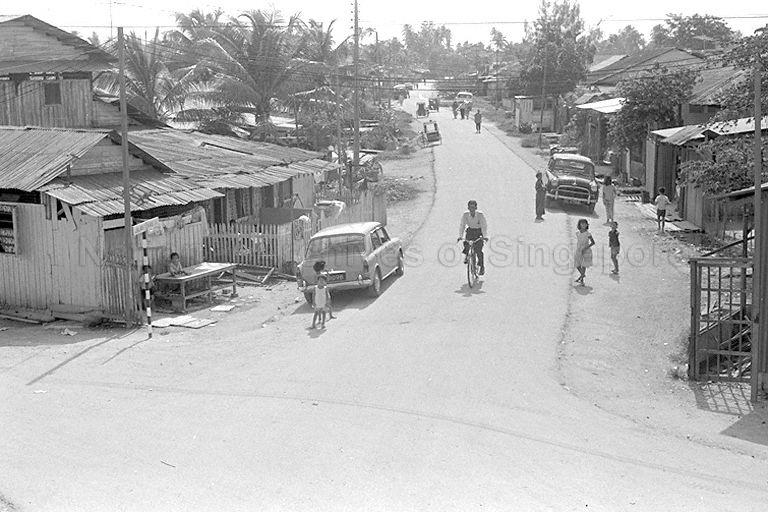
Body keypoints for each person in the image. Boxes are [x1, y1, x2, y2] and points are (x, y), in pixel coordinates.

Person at [457, 200, 489, 276]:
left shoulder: (480, 215)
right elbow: (462, 225)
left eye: (473, 207)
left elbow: (484, 226)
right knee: (466, 243)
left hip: (478, 233)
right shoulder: (465, 215)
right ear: (468, 208)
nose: (472, 209)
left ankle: (481, 266)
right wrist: (460, 236)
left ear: (476, 207)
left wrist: (484, 236)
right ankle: (467, 256)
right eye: (470, 207)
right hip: (470, 231)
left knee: (478, 250)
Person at [574, 218, 595, 286]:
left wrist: (586, 248)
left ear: (587, 225)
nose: (583, 225)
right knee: (577, 264)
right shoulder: (577, 233)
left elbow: (593, 242)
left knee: (583, 265)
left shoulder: (588, 233)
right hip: (579, 250)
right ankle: (582, 275)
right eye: (582, 223)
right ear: (579, 224)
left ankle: (582, 280)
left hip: (586, 250)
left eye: (585, 223)